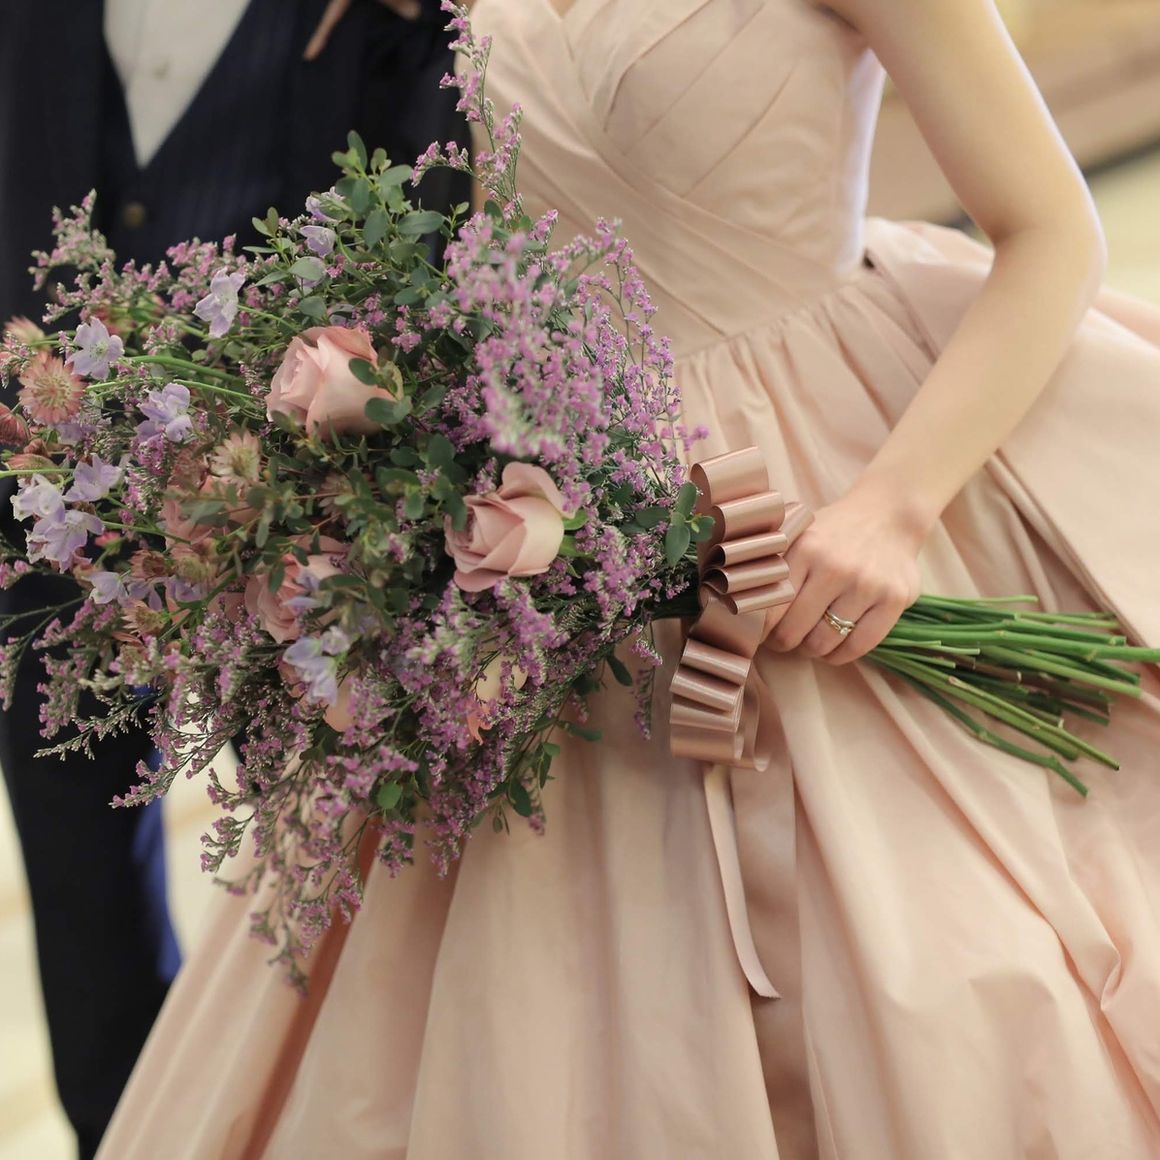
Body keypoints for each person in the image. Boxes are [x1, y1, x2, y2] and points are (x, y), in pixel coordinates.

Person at [98, 0, 1160, 1156]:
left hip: (835, 453)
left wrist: (891, 509)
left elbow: (1050, 229)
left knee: (968, 970)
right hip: (550, 521)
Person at [0, 2, 466, 1157]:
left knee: (322, 879)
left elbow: (438, 169)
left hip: (303, 504)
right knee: (80, 895)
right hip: (37, 488)